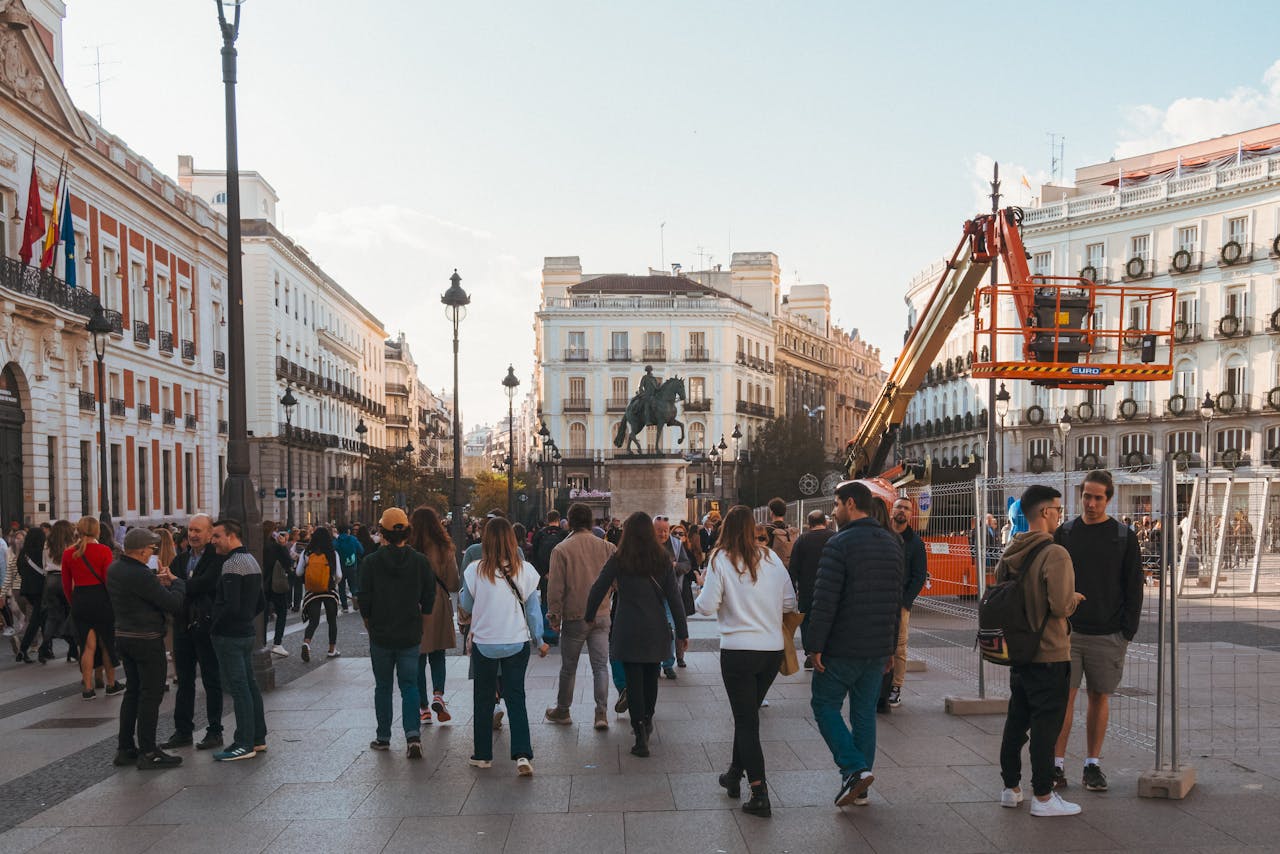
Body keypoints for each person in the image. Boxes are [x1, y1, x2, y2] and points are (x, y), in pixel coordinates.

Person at [806, 480, 903, 808]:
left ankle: (854, 769)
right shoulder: (892, 543)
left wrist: (815, 645)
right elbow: (895, 601)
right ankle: (861, 787)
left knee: (824, 705)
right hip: (877, 647)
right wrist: (890, 646)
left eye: (835, 504)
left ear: (850, 503)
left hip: (843, 646)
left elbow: (825, 599)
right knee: (863, 714)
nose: (833, 512)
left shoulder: (839, 543)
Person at [696, 505, 797, 818]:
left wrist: (701, 589)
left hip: (738, 650)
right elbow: (790, 603)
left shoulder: (720, 559)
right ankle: (733, 775)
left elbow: (706, 607)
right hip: (771, 650)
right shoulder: (771, 557)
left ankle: (759, 792)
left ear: (726, 528)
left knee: (746, 721)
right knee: (748, 714)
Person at [1052, 470, 1143, 794]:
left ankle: (1092, 764)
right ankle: (1056, 765)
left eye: (1097, 497)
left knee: (1098, 698)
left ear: (1109, 499)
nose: (1090, 503)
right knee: (1063, 699)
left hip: (1108, 635)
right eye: (1086, 496)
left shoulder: (1123, 536)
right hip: (1067, 633)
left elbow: (1134, 587)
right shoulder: (1065, 532)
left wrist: (1126, 632)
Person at [998, 484, 1084, 817]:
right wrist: (1076, 599)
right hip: (1049, 652)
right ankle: (1044, 797)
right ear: (1045, 512)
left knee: (1016, 722)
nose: (1060, 516)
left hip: (1019, 651)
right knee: (1046, 729)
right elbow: (1061, 605)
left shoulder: (1010, 550)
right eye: (1058, 510)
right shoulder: (1055, 553)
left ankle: (1011, 788)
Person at [585, 511, 689, 758]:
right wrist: (682, 631)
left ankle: (639, 730)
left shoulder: (620, 557)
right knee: (651, 677)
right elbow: (675, 599)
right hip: (655, 627)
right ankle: (648, 718)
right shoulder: (662, 559)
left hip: (628, 626)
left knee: (633, 681)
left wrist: (589, 614)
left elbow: (599, 586)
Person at [458, 516, 549, 775]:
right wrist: (539, 640)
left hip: (485, 642)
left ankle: (483, 754)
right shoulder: (525, 570)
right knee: (516, 697)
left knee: (483, 699)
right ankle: (522, 755)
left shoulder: (475, 570)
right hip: (516, 640)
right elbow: (533, 611)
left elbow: (466, 605)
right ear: (512, 540)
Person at [358, 507, 436, 758]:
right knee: (410, 685)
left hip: (380, 633)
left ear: (383, 532)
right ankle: (413, 736)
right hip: (410, 632)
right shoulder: (420, 561)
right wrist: (422, 623)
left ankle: (383, 736)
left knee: (383, 686)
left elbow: (364, 599)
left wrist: (370, 624)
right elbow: (429, 596)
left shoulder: (371, 562)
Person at [106, 527, 187, 770]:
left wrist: (155, 583)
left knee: (133, 691)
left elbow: (141, 594)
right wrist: (177, 583)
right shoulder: (140, 574)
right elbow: (172, 603)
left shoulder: (115, 568)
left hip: (124, 636)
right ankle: (149, 751)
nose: (153, 551)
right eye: (151, 548)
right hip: (146, 638)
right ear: (141, 551)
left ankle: (125, 748)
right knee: (151, 695)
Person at [545, 502, 617, 730]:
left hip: (575, 615)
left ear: (570, 521)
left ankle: (563, 710)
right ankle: (601, 713)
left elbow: (555, 587)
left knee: (569, 667)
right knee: (600, 666)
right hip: (602, 613)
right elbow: (616, 582)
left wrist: (554, 616)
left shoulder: (562, 549)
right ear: (591, 521)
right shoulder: (608, 548)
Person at [163, 514, 227, 751]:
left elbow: (207, 584)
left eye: (198, 530)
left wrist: (179, 583)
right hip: (183, 625)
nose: (193, 535)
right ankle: (182, 731)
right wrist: (177, 583)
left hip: (206, 625)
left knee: (211, 679)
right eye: (190, 530)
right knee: (185, 681)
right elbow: (177, 587)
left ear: (210, 534)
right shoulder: (179, 560)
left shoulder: (217, 560)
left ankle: (214, 730)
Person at [209, 519, 267, 762]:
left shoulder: (232, 564)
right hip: (246, 633)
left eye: (217, 536)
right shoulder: (251, 561)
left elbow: (230, 605)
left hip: (230, 635)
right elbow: (261, 603)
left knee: (238, 688)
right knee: (250, 685)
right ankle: (258, 737)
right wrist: (246, 619)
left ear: (232, 536)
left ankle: (244, 742)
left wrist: (215, 626)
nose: (213, 541)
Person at [408, 506, 459, 726]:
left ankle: (423, 708)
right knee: (438, 653)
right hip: (438, 602)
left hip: (413, 602)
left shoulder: (409, 547)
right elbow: (454, 582)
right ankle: (438, 694)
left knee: (418, 656)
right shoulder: (444, 547)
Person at [62, 517, 122, 699]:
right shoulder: (104, 551)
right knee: (106, 643)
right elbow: (108, 580)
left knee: (88, 646)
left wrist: (74, 603)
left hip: (80, 599)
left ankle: (88, 688)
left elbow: (66, 585)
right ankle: (111, 684)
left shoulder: (69, 553)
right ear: (97, 531)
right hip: (101, 600)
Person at [886, 497, 928, 709]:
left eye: (906, 508)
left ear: (911, 515)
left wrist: (905, 603)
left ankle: (896, 686)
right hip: (880, 601)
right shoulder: (882, 535)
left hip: (900, 603)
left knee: (899, 647)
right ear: (891, 511)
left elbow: (919, 576)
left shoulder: (916, 543)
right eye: (899, 507)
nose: (902, 511)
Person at [788, 509, 834, 671]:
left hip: (807, 590)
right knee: (828, 619)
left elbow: (793, 568)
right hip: (830, 589)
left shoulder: (802, 540)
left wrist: (792, 589)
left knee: (806, 621)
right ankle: (826, 650)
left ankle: (809, 652)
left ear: (809, 524)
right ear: (825, 522)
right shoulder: (834, 537)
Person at [296, 526, 342, 662]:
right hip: (329, 590)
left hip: (312, 591)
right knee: (332, 621)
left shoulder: (306, 553)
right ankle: (332, 649)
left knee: (314, 621)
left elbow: (298, 573)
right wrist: (334, 582)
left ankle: (306, 642)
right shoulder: (332, 553)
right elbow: (339, 574)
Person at [654, 514, 690, 677]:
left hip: (671, 593)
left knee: (669, 629)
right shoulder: (646, 545)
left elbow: (687, 565)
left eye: (665, 531)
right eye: (659, 531)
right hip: (651, 594)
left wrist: (675, 566)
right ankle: (654, 662)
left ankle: (668, 663)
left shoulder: (676, 544)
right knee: (653, 628)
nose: (662, 534)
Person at [41, 520, 78, 663]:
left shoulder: (47, 543)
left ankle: (44, 647)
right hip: (65, 578)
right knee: (70, 615)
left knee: (52, 616)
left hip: (50, 579)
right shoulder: (72, 543)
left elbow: (44, 564)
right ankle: (73, 651)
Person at [530, 510, 567, 645]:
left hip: (544, 575)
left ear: (547, 519)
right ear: (558, 519)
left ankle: (546, 632)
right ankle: (556, 630)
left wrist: (542, 572)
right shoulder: (564, 534)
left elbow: (534, 556)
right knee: (560, 601)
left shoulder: (539, 534)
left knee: (545, 601)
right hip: (560, 575)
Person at [262, 521, 294, 656]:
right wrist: (283, 545)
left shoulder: (258, 545)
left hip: (262, 584)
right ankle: (277, 643)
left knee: (262, 615)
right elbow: (288, 562)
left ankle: (261, 642)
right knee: (281, 613)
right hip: (276, 584)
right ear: (274, 531)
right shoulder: (277, 547)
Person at [16, 527, 47, 663]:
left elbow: (19, 569)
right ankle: (23, 649)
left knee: (42, 618)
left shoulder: (23, 553)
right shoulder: (42, 552)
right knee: (36, 621)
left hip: (27, 590)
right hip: (40, 590)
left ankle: (46, 649)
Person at [334, 524, 364, 612]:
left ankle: (345, 607)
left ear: (338, 532)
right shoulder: (353, 539)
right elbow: (361, 550)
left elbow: (333, 551)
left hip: (341, 567)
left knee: (341, 587)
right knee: (354, 585)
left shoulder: (337, 541)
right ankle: (355, 597)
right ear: (348, 531)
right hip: (352, 566)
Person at [765, 498, 798, 567]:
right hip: (786, 566)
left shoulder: (767, 529)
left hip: (772, 565)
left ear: (772, 512)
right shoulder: (789, 531)